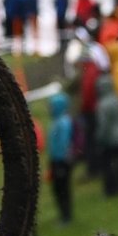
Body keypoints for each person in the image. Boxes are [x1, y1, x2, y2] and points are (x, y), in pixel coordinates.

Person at [46, 91, 74, 226]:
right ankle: (64, 215)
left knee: (62, 190)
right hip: (57, 161)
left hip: (61, 162)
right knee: (59, 189)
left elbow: (63, 143)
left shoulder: (62, 122)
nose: (49, 109)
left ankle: (66, 217)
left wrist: (60, 160)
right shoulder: (58, 121)